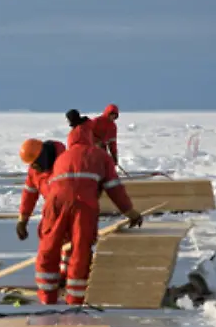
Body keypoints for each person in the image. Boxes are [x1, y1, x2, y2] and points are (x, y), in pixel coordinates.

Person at [35, 125, 142, 305]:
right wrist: (130, 212)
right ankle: (75, 298)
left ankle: (46, 296)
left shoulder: (62, 157)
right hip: (83, 205)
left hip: (54, 203)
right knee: (80, 249)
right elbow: (114, 188)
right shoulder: (101, 156)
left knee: (50, 246)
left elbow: (50, 184)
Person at [16, 138, 71, 283]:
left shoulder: (65, 163)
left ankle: (68, 275)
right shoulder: (35, 170)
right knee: (48, 242)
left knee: (69, 244)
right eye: (31, 164)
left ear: (43, 157)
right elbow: (29, 193)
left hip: (71, 209)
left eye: (35, 163)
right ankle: (56, 276)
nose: (33, 167)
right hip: (52, 211)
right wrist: (23, 219)